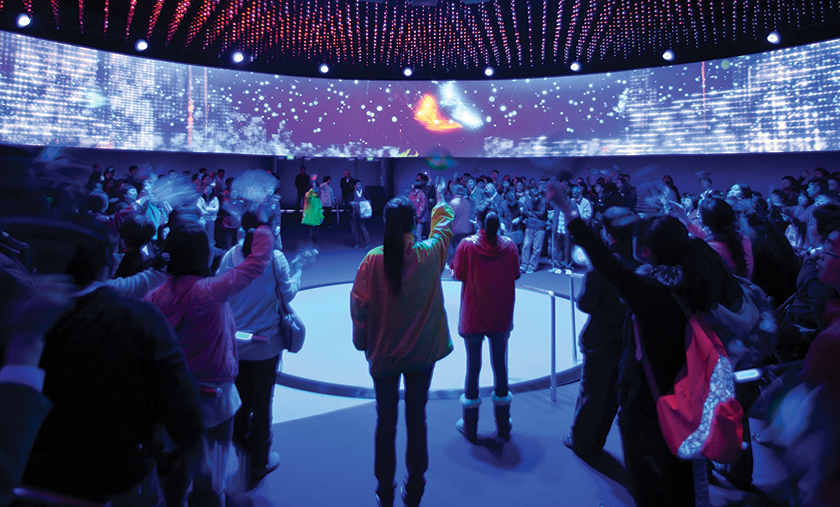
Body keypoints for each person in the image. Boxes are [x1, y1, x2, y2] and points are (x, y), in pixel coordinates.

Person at [548, 181, 746, 507]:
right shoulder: (698, 278)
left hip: (651, 406)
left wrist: (568, 210)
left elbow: (605, 261)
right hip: (692, 395)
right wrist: (683, 222)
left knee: (653, 488)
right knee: (684, 484)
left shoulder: (651, 294)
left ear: (646, 252)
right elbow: (695, 246)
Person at [147, 220, 273, 506]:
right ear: (202, 254)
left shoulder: (155, 295)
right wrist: (263, 225)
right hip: (215, 400)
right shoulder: (209, 292)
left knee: (175, 475)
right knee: (213, 478)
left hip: (174, 399)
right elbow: (255, 264)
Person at [350, 181, 453, 507]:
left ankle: (385, 492)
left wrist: (362, 341)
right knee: (416, 418)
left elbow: (359, 306)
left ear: (384, 223)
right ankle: (415, 489)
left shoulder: (372, 261)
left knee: (386, 422)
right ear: (413, 222)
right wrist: (440, 202)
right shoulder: (428, 255)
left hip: (383, 356)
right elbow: (444, 230)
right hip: (422, 355)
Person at [218, 221, 303, 489]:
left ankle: (242, 446)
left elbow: (220, 291)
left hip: (235, 343)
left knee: (240, 399)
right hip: (266, 344)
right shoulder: (275, 258)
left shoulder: (230, 256)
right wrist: (299, 270)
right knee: (263, 402)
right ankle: (259, 461)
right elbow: (288, 293)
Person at [565, 207, 640, 460]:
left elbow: (585, 303)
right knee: (612, 394)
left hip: (601, 337)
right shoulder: (642, 260)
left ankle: (583, 443)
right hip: (629, 337)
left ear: (607, 233)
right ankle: (597, 440)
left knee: (592, 391)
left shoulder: (603, 265)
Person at [450, 202, 520, 442]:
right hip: (501, 315)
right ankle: (503, 424)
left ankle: (470, 425)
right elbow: (515, 272)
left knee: (473, 367)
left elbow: (457, 274)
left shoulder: (466, 246)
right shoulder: (510, 246)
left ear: (477, 223)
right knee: (501, 367)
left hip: (474, 314)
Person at [350, 180, 371, 249]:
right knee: (354, 229)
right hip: (354, 214)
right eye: (358, 184)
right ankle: (356, 243)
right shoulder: (352, 194)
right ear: (355, 186)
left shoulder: (365, 193)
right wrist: (352, 203)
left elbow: (369, 201)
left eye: (360, 184)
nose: (359, 186)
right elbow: (348, 202)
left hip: (362, 214)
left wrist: (366, 202)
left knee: (363, 228)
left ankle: (367, 243)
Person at [302, 180, 323, 246]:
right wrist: (312, 189)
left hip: (317, 217)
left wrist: (321, 217)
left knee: (315, 233)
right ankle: (308, 246)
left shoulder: (317, 197)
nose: (318, 189)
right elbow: (308, 197)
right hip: (310, 218)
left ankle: (313, 245)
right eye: (317, 187)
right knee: (310, 233)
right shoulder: (308, 195)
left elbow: (320, 207)